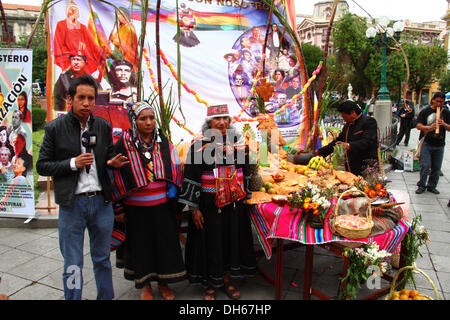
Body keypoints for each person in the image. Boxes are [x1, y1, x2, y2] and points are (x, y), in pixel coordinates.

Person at [36, 75, 129, 300]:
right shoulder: (54, 128)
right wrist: (72, 163)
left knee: (102, 259)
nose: (87, 103)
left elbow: (106, 155)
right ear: (70, 98)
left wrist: (111, 162)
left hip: (101, 203)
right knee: (73, 263)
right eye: (81, 97)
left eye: (91, 98)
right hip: (72, 204)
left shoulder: (103, 126)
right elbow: (42, 165)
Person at [178, 104, 256, 300]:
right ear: (209, 123)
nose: (222, 122)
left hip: (233, 204)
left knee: (230, 241)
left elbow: (245, 171)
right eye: (217, 118)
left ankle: (227, 280)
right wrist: (194, 208)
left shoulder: (238, 143)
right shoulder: (198, 146)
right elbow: (191, 177)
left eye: (225, 118)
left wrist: (246, 196)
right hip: (208, 204)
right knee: (210, 243)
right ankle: (209, 283)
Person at [110, 101, 186, 300]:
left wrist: (173, 184)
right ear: (134, 121)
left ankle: (163, 283)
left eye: (152, 118)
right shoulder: (123, 142)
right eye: (143, 118)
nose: (149, 122)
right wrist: (118, 208)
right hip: (135, 209)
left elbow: (176, 164)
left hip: (161, 206)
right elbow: (114, 175)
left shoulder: (163, 141)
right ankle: (144, 286)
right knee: (141, 247)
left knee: (163, 246)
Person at [316, 100, 379, 176]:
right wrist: (319, 152)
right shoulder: (347, 126)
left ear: (353, 113)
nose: (344, 119)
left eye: (345, 117)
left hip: (367, 166)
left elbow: (368, 141)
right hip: (351, 167)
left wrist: (349, 145)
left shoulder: (369, 122)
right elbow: (337, 142)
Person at [53, 0, 106, 76]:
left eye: (75, 10)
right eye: (71, 10)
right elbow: (58, 44)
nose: (73, 12)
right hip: (68, 57)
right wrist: (72, 53)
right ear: (67, 12)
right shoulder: (61, 25)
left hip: (82, 56)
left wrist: (101, 50)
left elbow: (91, 43)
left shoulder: (83, 27)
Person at [415, 92, 450, 194]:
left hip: (439, 143)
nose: (439, 103)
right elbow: (418, 125)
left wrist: (443, 124)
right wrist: (429, 128)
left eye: (441, 102)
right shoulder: (426, 111)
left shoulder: (446, 112)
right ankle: (421, 185)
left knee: (436, 167)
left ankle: (432, 186)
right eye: (437, 101)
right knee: (425, 165)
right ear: (433, 100)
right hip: (427, 142)